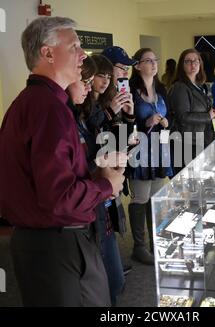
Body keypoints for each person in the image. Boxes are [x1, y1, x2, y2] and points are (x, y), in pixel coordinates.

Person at [0, 16, 125, 307]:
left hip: (46, 244)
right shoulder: (47, 109)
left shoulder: (36, 103)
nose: (83, 54)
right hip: (58, 246)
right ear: (47, 53)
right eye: (75, 46)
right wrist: (106, 185)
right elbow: (59, 198)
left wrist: (95, 173)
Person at [67, 55, 127, 306]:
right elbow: (78, 168)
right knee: (103, 283)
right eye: (88, 80)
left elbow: (115, 141)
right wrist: (103, 168)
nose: (93, 85)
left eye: (103, 77)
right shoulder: (74, 114)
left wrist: (127, 120)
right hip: (89, 208)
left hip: (103, 199)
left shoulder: (90, 110)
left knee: (113, 279)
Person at [128, 48, 173, 265]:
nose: (154, 64)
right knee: (141, 199)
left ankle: (156, 243)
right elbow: (124, 123)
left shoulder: (161, 89)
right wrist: (145, 123)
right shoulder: (130, 91)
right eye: (148, 60)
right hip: (140, 151)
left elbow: (168, 119)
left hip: (159, 150)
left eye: (155, 60)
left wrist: (165, 123)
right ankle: (139, 246)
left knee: (155, 200)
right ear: (137, 66)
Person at [168, 48, 215, 174]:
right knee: (187, 186)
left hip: (200, 140)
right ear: (182, 65)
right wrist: (208, 116)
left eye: (196, 61)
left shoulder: (200, 85)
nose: (193, 64)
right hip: (186, 144)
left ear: (200, 64)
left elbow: (204, 109)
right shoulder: (180, 87)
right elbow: (183, 116)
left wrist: (214, 112)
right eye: (188, 61)